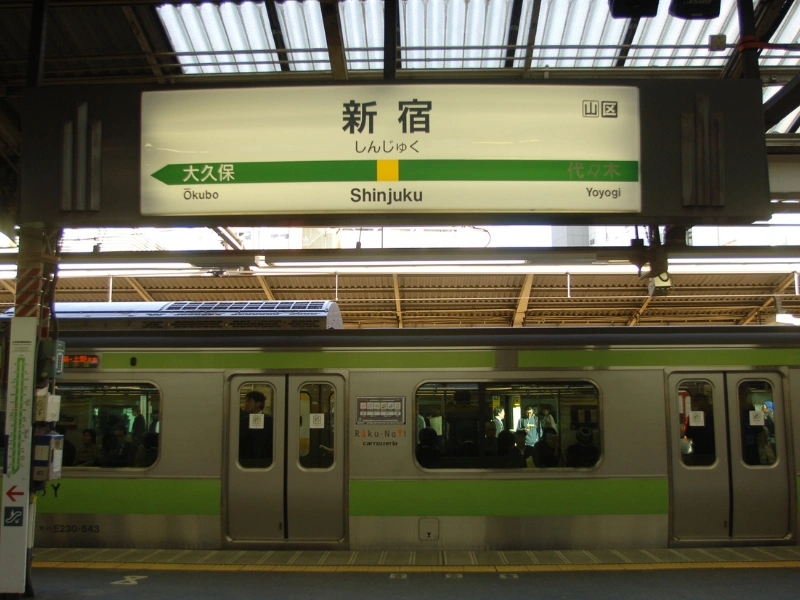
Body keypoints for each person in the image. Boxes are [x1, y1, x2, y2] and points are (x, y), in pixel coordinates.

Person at [239, 390, 273, 467]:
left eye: (249, 401)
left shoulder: (270, 421)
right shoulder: (241, 420)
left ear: (258, 403)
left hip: (265, 461)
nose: (246, 404)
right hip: (243, 460)